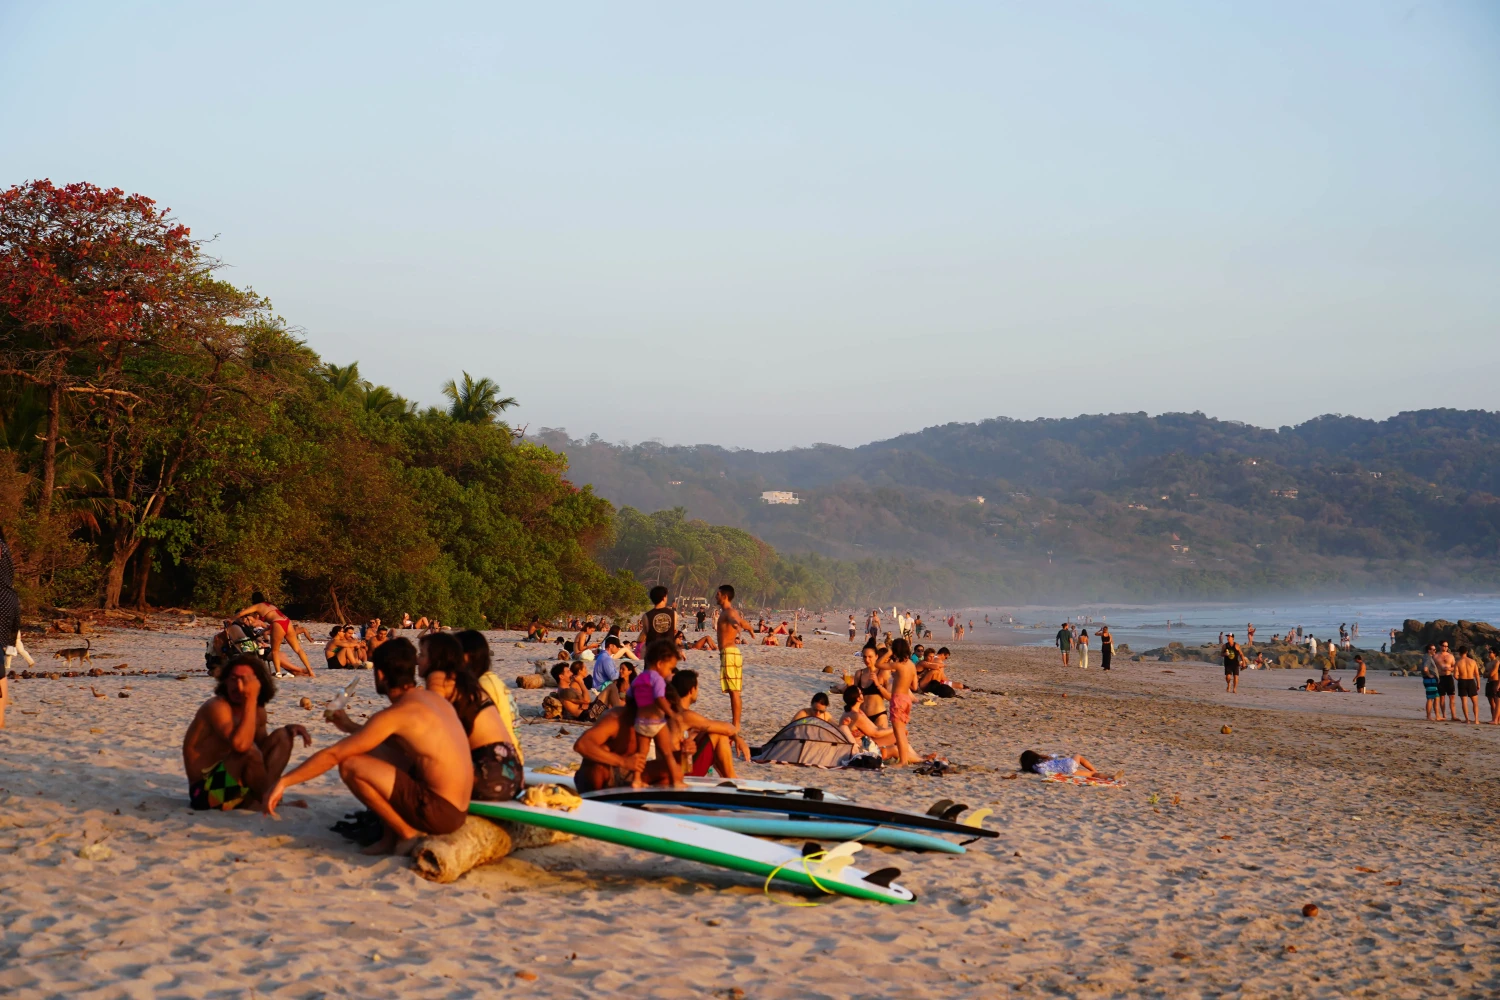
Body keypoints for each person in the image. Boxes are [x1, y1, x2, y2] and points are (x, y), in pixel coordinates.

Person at [265, 638, 473, 856]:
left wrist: (285, 782)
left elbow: (334, 754)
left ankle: (406, 833)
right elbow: (393, 742)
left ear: (380, 674)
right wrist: (349, 726)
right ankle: (388, 837)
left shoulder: (397, 714)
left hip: (439, 812)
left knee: (351, 764)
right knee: (374, 751)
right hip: (458, 809)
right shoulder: (429, 698)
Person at [181, 653, 310, 811]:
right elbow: (242, 747)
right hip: (207, 795)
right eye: (233, 679)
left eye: (246, 679)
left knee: (283, 736)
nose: (239, 685)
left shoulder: (257, 710)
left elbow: (261, 754)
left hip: (236, 787)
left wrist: (289, 729)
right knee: (247, 750)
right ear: (225, 681)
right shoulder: (216, 707)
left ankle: (261, 800)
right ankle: (264, 801)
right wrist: (250, 699)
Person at [419, 632, 523, 801]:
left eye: (422, 654)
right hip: (510, 767)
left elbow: (432, 726)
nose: (418, 660)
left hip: (493, 770)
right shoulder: (482, 682)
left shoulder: (448, 681)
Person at [454, 629, 523, 764]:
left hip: (501, 762)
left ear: (466, 657)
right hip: (511, 756)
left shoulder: (481, 687)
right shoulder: (490, 680)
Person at [629, 640, 684, 788]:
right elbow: (659, 698)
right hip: (656, 722)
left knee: (641, 754)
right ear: (660, 664)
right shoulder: (657, 679)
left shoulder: (639, 678)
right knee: (667, 752)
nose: (670, 672)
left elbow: (629, 696)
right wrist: (671, 714)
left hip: (640, 722)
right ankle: (676, 781)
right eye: (670, 668)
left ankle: (636, 779)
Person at [669, 669, 741, 779]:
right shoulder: (686, 715)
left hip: (678, 765)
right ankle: (732, 777)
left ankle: (729, 777)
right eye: (697, 688)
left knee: (711, 732)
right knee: (718, 734)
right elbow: (728, 729)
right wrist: (737, 737)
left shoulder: (672, 711)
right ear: (691, 690)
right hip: (681, 771)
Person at [713, 585, 755, 760]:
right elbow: (741, 621)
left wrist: (737, 625)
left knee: (734, 692)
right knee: (732, 692)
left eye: (718, 594)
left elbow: (734, 619)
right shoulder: (727, 612)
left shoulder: (729, 612)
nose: (715, 596)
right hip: (729, 654)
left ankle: (736, 725)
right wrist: (749, 628)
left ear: (724, 596)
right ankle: (735, 724)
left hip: (730, 654)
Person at [235, 592, 314, 677]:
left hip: (278, 624)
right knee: (298, 649)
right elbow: (274, 617)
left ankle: (278, 673)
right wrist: (265, 629)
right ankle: (310, 671)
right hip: (287, 621)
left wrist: (230, 619)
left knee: (275, 651)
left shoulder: (258, 606)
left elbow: (241, 613)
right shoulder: (270, 605)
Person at [886, 637, 920, 765]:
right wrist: (901, 678)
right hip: (906, 699)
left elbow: (878, 664)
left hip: (898, 699)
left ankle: (904, 760)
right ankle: (904, 758)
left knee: (898, 732)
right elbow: (914, 687)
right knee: (901, 730)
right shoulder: (911, 665)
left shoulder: (898, 665)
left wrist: (889, 652)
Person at [838, 686, 896, 755]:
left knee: (898, 735)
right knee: (898, 737)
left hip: (864, 742)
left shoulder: (852, 712)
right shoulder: (856, 715)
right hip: (860, 748)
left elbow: (874, 728)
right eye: (861, 693)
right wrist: (896, 728)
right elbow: (875, 733)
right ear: (858, 699)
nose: (863, 694)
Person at [855, 642, 891, 728]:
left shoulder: (883, 672)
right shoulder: (859, 673)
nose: (867, 660)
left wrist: (878, 685)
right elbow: (854, 697)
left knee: (879, 741)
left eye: (870, 657)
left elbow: (890, 697)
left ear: (876, 656)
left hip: (878, 716)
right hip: (862, 716)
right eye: (864, 657)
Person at [1019, 749, 1115, 780]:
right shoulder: (1041, 760)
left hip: (1065, 773)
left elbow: (1044, 772)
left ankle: (1106, 775)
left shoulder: (1034, 768)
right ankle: (1106, 775)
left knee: (1091, 776)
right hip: (1067, 764)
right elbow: (1054, 755)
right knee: (1078, 756)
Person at [639, 586, 677, 651]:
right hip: (669, 650)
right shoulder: (673, 614)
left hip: (652, 651)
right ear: (664, 598)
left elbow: (646, 632)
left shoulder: (646, 616)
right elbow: (674, 631)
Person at [1454, 646, 1481, 724]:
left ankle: (1467, 719)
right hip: (1471, 681)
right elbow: (1477, 674)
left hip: (1462, 681)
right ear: (1466, 652)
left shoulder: (1458, 662)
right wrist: (1478, 684)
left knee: (1464, 702)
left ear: (1459, 653)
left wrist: (1460, 680)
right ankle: (1476, 720)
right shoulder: (1472, 661)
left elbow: (1455, 675)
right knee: (1475, 702)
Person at [1435, 641, 1457, 721]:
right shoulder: (1436, 656)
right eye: (1443, 646)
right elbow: (1432, 667)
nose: (1445, 647)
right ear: (1440, 646)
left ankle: (1453, 715)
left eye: (1446, 646)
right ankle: (1444, 715)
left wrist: (1450, 669)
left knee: (1452, 697)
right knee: (1442, 697)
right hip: (1440, 677)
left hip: (1449, 677)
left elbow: (1455, 666)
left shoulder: (1450, 656)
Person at [1485, 648, 1500, 725]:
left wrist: (1488, 674)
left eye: (1490, 652)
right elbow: (1484, 674)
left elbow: (1492, 673)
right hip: (1489, 682)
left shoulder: (1497, 662)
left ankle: (1497, 719)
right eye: (1488, 652)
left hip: (1495, 682)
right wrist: (1488, 674)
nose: (1489, 653)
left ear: (1495, 653)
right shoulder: (1488, 663)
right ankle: (1493, 718)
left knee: (1496, 701)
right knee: (1491, 702)